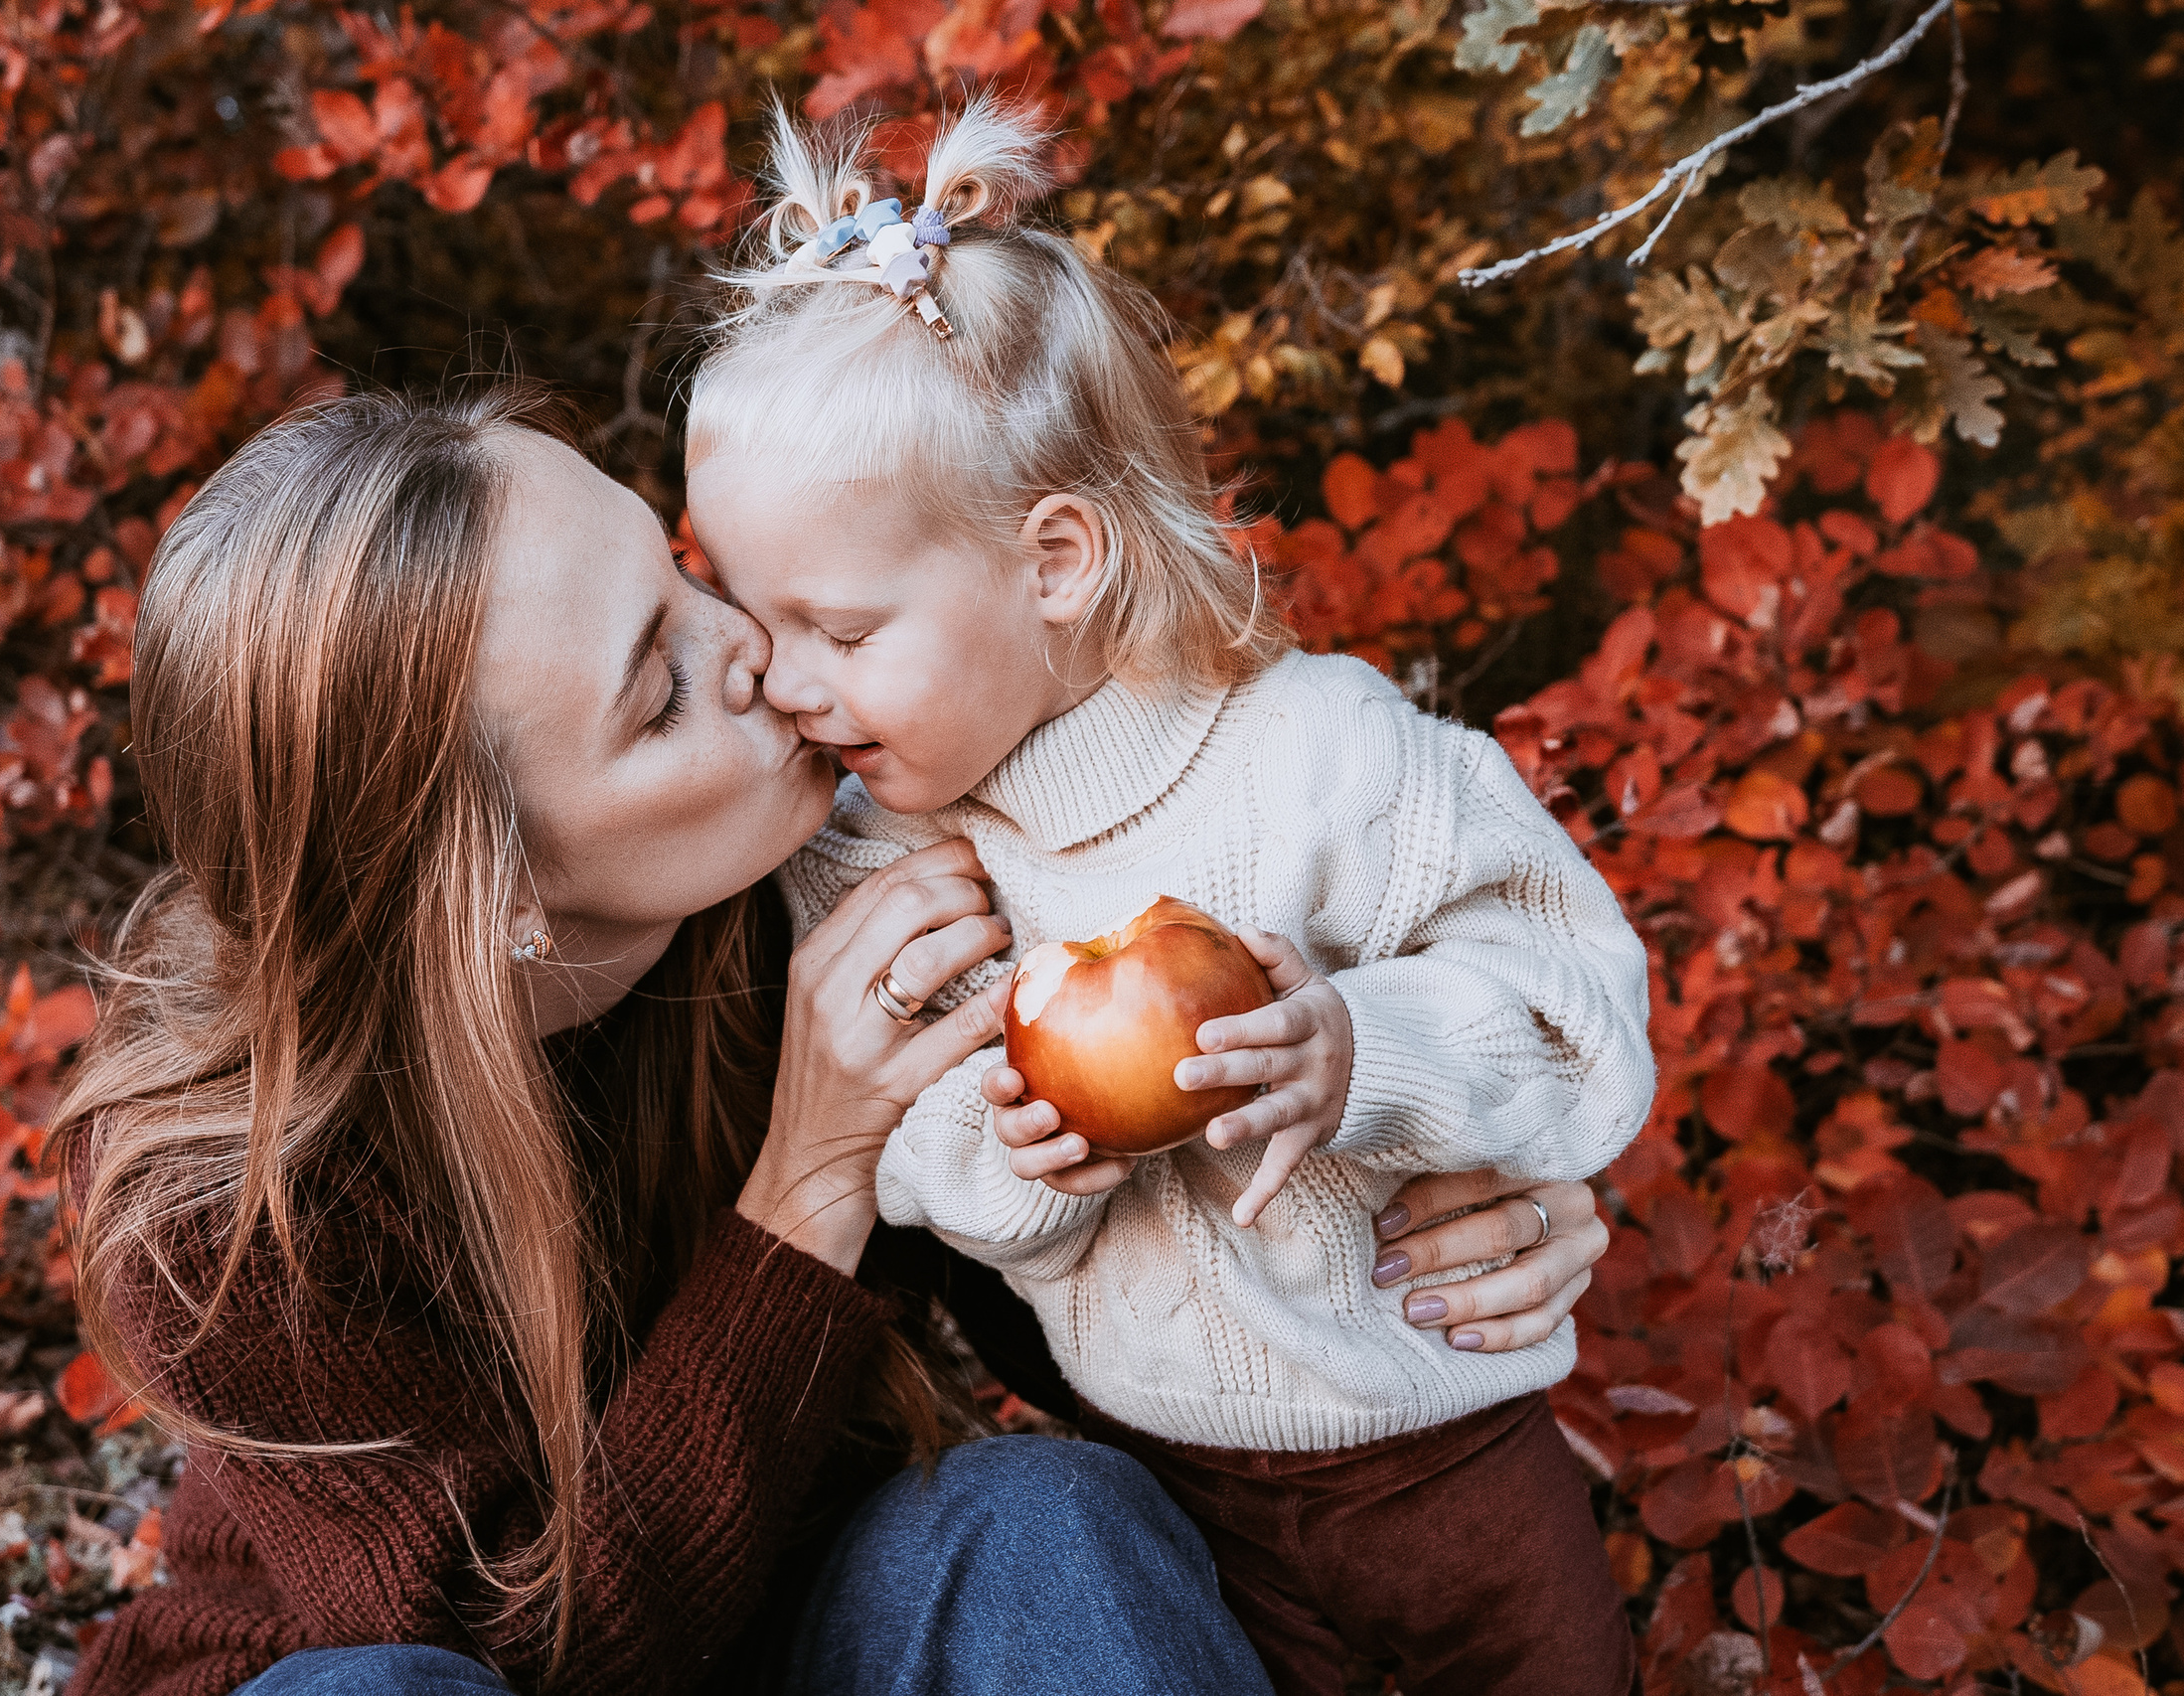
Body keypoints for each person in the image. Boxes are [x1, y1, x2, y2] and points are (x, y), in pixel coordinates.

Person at [54, 384, 1615, 1696]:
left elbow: (1095, 1296)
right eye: (660, 692)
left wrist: (1431, 1172)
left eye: (677, 574)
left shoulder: (831, 891)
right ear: (498, 894)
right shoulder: (220, 1197)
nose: (746, 647)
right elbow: (492, 1652)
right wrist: (811, 1180)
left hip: (813, 1637)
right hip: (424, 1674)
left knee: (1039, 1524)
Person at [682, 100, 1655, 1696]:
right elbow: (910, 1156)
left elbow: (1573, 1000)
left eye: (842, 631)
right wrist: (1026, 1145)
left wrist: (1363, 1051)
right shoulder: (877, 859)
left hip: (1444, 1448)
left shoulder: (1320, 758)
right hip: (1165, 1484)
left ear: (1053, 560)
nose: (783, 683)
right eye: (749, 613)